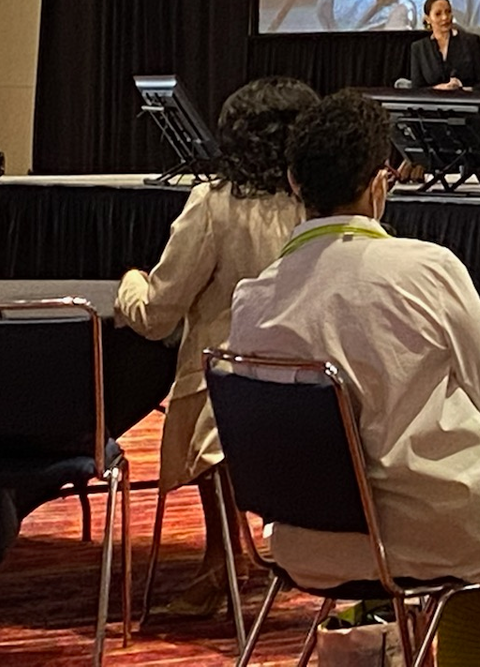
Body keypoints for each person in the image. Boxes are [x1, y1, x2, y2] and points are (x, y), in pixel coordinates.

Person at [228, 90, 480, 661]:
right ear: (378, 185)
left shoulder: (252, 299)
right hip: (426, 533)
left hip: (300, 539)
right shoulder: (427, 269)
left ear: (294, 182)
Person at [117, 76, 316, 616]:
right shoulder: (326, 208)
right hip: (322, 394)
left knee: (214, 393)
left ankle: (224, 563)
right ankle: (231, 557)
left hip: (230, 394)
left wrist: (129, 283)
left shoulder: (214, 204)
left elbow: (158, 314)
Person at [406, 0, 480, 92]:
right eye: (438, 14)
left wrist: (461, 88)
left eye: (448, 12)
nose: (445, 17)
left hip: (466, 102)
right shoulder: (419, 47)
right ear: (428, 19)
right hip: (432, 104)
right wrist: (438, 89)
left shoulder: (470, 42)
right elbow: (416, 90)